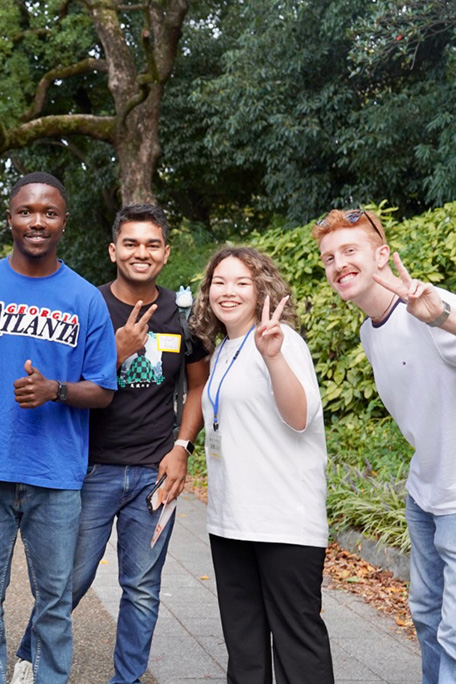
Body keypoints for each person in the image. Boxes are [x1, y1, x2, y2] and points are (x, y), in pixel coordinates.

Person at [12, 203, 209, 684]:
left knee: (141, 589)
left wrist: (182, 448)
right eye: (131, 243)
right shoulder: (86, 304)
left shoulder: (184, 315)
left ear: (165, 253)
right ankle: (28, 662)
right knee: (69, 582)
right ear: (113, 250)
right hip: (89, 468)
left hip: (155, 474)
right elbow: (61, 382)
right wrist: (115, 353)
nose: (142, 253)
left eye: (152, 244)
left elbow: (199, 386)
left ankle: (128, 679)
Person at [0, 172, 118, 684]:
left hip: (56, 473)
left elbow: (104, 389)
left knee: (54, 600)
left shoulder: (85, 298)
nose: (37, 221)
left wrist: (56, 390)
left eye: (49, 213)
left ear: (64, 223)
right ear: (10, 218)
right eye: (26, 211)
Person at [314, 209, 456, 684]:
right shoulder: (368, 331)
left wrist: (441, 317)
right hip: (424, 493)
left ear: (381, 255)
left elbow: (440, 317)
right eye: (329, 257)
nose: (339, 264)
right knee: (427, 616)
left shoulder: (429, 306)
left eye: (349, 251)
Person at [190, 246, 333, 684]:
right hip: (231, 521)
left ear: (261, 290)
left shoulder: (280, 339)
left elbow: (299, 416)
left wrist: (272, 356)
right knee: (244, 648)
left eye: (241, 282)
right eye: (219, 282)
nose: (228, 291)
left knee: (297, 646)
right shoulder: (223, 349)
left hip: (283, 521)